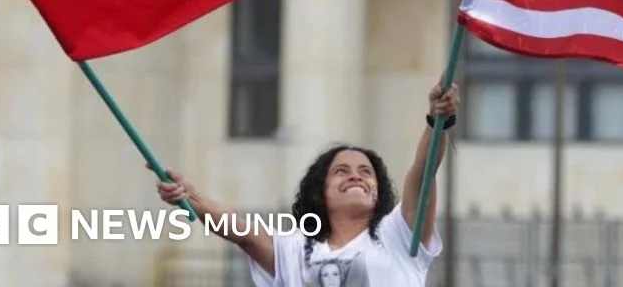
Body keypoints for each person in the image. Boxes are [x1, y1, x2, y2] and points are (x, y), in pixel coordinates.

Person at [154, 81, 460, 287]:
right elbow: (243, 234)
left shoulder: (398, 235)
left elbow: (423, 173)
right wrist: (191, 198)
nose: (356, 176)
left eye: (366, 172)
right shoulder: (293, 250)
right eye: (341, 171)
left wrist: (437, 121)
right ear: (320, 193)